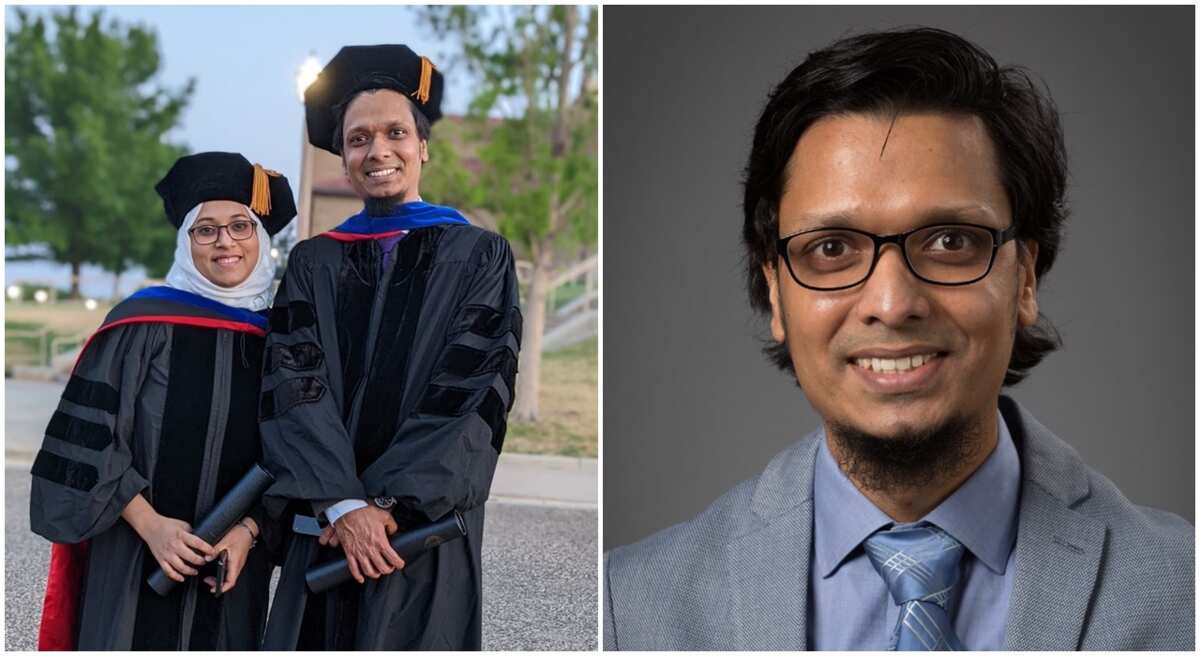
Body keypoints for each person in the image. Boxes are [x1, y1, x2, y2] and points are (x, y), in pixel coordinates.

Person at [603, 27, 1193, 651]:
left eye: (950, 242)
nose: (892, 303)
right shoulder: (630, 609)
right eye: (831, 249)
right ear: (774, 290)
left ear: (1024, 277)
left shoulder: (1184, 592)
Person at [259, 45, 522, 650]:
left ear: (422, 146)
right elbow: (295, 382)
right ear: (344, 158)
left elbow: (474, 388)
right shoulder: (312, 261)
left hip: (420, 533)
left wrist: (387, 506)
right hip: (325, 529)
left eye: (395, 132)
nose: (378, 151)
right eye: (359, 139)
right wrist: (343, 504)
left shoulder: (480, 255)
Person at [29, 152, 296, 650]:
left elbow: (294, 454)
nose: (225, 242)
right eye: (206, 229)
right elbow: (88, 441)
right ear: (185, 240)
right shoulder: (140, 325)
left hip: (233, 564)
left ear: (260, 237)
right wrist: (151, 526)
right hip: (134, 556)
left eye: (241, 226)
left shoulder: (282, 341)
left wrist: (250, 531)